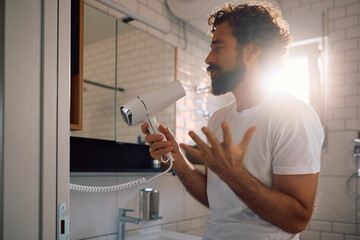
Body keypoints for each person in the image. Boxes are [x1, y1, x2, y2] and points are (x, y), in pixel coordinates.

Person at [141, 2, 324, 240]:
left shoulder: (294, 116)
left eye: (218, 47)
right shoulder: (219, 118)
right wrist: (177, 160)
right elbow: (218, 199)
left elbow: (297, 219)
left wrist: (235, 175)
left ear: (252, 50)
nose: (208, 58)